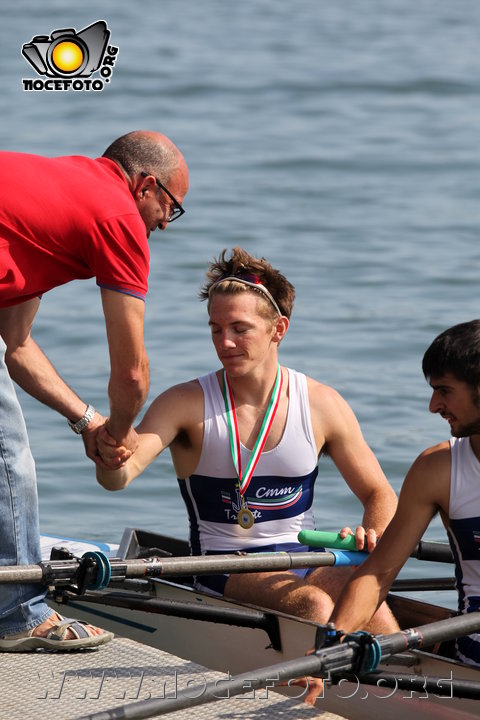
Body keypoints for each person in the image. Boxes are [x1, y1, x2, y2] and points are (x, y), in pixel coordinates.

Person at [97, 247, 398, 634]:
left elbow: (380, 494)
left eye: (239, 329)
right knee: (314, 604)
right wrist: (109, 457)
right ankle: (315, 686)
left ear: (278, 330)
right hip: (223, 566)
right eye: (215, 329)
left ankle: (405, 685)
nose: (224, 343)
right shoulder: (185, 404)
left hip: (307, 557)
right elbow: (120, 477)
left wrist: (368, 536)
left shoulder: (322, 404)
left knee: (370, 601)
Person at [0, 130, 189, 651]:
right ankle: (17, 615)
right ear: (146, 185)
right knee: (8, 456)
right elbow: (132, 375)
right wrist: (120, 437)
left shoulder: (52, 199)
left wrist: (88, 422)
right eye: (170, 207)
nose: (164, 225)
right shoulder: (117, 216)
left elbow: (16, 346)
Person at [327, 319, 480, 672]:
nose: (432, 405)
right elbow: (378, 574)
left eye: (444, 390)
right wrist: (333, 642)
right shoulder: (438, 470)